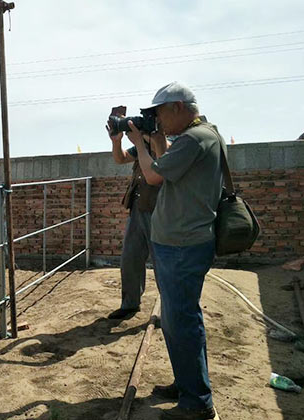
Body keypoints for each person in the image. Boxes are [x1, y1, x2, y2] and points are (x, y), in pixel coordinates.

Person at [126, 81, 223, 420]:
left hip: (182, 244)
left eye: (159, 113)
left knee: (181, 320)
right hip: (181, 241)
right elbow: (168, 165)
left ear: (178, 107)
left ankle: (197, 402)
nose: (158, 120)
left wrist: (139, 142)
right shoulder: (201, 136)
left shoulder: (195, 139)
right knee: (178, 319)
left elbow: (153, 175)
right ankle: (188, 383)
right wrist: (154, 140)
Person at [105, 106, 167, 320]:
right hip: (138, 207)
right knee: (130, 259)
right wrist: (117, 141)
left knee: (162, 262)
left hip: (160, 211)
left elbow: (164, 158)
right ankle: (130, 304)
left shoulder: (168, 141)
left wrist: (144, 140)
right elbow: (120, 159)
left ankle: (169, 309)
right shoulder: (141, 145)